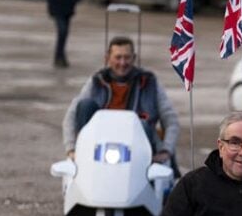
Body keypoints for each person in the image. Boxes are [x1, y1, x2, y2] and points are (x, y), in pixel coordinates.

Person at [62, 36, 179, 165]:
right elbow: (71, 115)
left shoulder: (149, 81)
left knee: (143, 125)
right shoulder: (96, 80)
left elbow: (171, 119)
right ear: (108, 58)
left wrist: (166, 150)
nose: (123, 63)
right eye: (118, 57)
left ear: (134, 58)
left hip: (139, 150)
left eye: (127, 57)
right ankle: (82, 164)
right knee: (85, 105)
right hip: (99, 147)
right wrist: (71, 149)